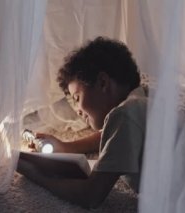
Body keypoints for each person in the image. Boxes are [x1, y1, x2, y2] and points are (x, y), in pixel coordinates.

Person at [17, 36, 147, 208]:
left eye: (77, 98)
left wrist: (36, 175)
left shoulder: (125, 114)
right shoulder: (142, 96)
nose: (77, 110)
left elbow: (90, 195)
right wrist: (67, 147)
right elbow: (113, 135)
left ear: (102, 83)